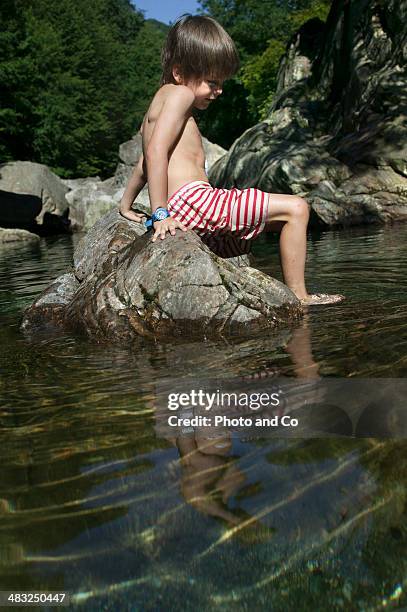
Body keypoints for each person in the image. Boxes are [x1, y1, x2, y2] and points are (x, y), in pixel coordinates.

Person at [119, 14, 344, 306]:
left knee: (273, 224)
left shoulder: (159, 103)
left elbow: (143, 164)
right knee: (297, 209)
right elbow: (155, 153)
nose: (219, 91)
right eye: (212, 82)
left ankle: (273, 290)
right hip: (194, 204)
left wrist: (126, 205)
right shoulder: (180, 96)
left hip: (190, 212)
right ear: (179, 72)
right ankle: (300, 297)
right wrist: (159, 213)